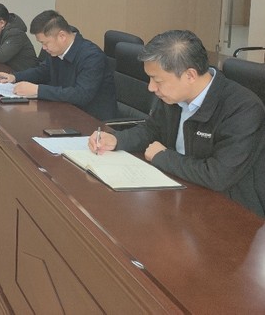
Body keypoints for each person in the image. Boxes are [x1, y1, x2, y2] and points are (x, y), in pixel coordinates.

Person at [89, 30, 265, 216]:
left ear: (190, 75)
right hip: (179, 188)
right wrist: (118, 140)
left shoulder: (243, 109)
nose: (151, 87)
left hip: (228, 210)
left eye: (157, 80)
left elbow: (217, 175)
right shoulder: (172, 96)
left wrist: (163, 157)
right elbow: (152, 130)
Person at [0, 10, 116, 120]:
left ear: (62, 36)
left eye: (45, 43)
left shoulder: (92, 56)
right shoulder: (57, 51)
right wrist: (15, 77)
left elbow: (81, 94)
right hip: (64, 111)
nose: (43, 48)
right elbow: (44, 71)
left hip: (93, 121)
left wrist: (37, 90)